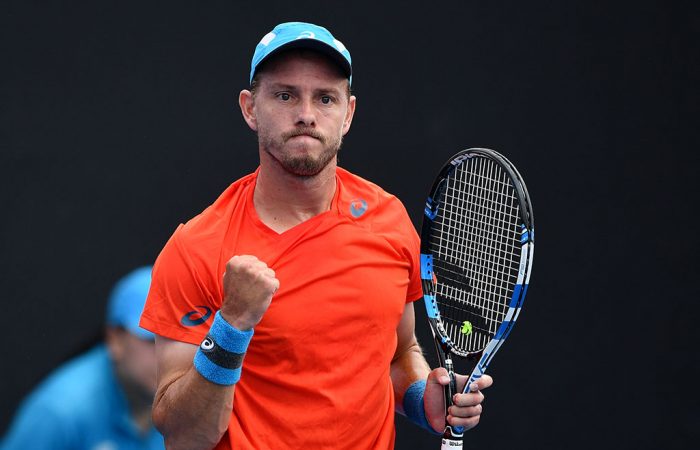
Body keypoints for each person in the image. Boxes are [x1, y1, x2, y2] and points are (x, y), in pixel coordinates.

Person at [139, 22, 493, 450]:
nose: (306, 114)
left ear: (348, 113)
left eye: (325, 98)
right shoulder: (195, 250)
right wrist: (232, 325)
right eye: (285, 95)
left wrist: (422, 401)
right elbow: (184, 437)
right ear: (250, 108)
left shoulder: (388, 220)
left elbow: (398, 354)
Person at [1, 267, 165, 450]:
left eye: (177, 340)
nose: (166, 356)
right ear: (115, 340)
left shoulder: (185, 398)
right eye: (152, 340)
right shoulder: (59, 413)